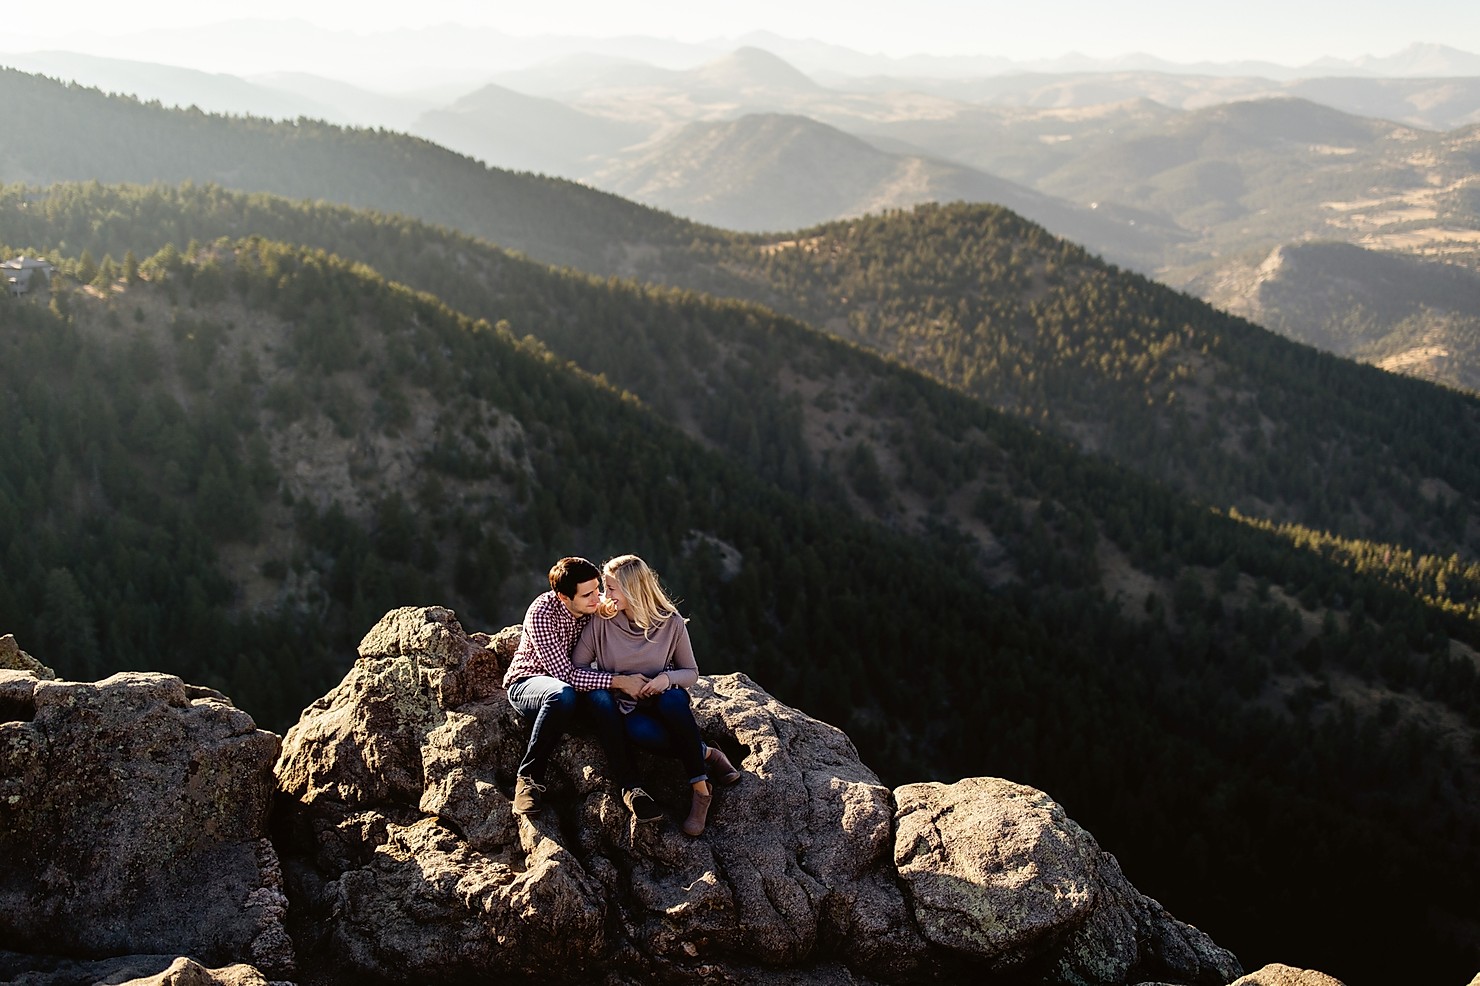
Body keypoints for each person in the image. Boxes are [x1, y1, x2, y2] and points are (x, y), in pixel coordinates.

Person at [572, 553, 742, 836]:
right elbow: (577, 668)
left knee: (673, 700)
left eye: (611, 587)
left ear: (633, 589)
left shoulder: (670, 622)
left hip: (666, 700)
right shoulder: (602, 620)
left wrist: (665, 679)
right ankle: (709, 754)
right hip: (630, 707)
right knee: (641, 734)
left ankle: (700, 791)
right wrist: (618, 683)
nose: (605, 594)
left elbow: (690, 672)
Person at [502, 556, 651, 818]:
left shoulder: (596, 608)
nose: (597, 598)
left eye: (598, 589)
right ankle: (528, 780)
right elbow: (564, 674)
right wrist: (620, 681)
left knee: (604, 700)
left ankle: (632, 787)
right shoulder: (542, 612)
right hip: (529, 683)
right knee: (562, 694)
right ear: (563, 597)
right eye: (588, 595)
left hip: (577, 687)